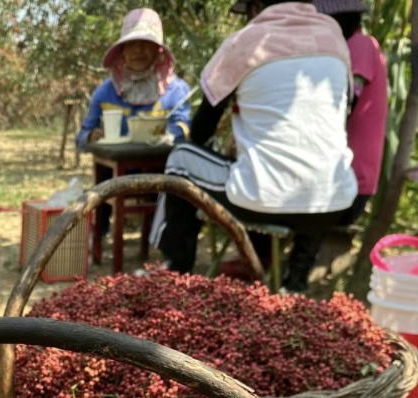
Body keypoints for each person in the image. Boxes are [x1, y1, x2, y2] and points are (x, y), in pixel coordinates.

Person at [149, 0, 359, 277]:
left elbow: (201, 130)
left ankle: (176, 270)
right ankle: (289, 279)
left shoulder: (247, 41)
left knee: (180, 159)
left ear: (256, 7)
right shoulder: (334, 40)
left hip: (263, 200)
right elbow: (343, 111)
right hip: (335, 202)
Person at [283, 0, 388, 292]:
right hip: (342, 175)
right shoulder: (351, 48)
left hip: (351, 178)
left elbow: (343, 102)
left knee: (313, 206)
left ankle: (294, 283)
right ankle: (287, 278)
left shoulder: (360, 46)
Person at [76, 9, 191, 151]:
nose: (138, 50)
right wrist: (91, 136)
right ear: (123, 50)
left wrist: (167, 134)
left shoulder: (176, 91)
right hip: (117, 172)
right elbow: (81, 137)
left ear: (157, 49)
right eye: (131, 43)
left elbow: (184, 127)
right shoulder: (105, 92)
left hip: (162, 170)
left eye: (145, 43)